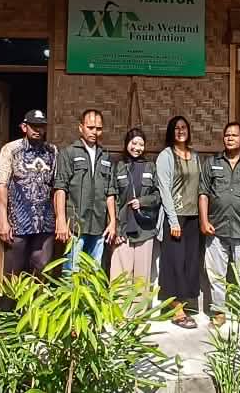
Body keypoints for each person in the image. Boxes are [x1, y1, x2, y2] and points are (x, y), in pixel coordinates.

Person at [199, 122, 240, 328]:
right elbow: (203, 193)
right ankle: (219, 312)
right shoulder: (212, 163)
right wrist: (204, 220)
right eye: (227, 135)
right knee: (216, 274)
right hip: (216, 228)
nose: (230, 138)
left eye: (234, 135)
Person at [0, 109, 57, 281]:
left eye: (41, 126)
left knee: (43, 270)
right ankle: (9, 300)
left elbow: (57, 187)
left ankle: (37, 300)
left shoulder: (52, 151)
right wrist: (3, 220)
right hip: (19, 222)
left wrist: (59, 219)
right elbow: (1, 185)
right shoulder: (11, 149)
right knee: (14, 273)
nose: (37, 130)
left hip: (45, 222)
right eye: (33, 126)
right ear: (24, 127)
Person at [54, 109, 117, 274]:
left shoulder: (105, 156)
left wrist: (112, 222)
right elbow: (60, 189)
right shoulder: (69, 153)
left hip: (98, 226)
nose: (94, 132)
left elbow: (110, 192)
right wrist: (61, 220)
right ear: (80, 127)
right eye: (90, 127)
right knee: (71, 274)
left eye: (98, 129)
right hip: (75, 226)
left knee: (93, 274)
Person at [157, 116, 201, 329]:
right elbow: (164, 189)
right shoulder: (166, 156)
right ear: (171, 132)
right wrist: (173, 220)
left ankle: (184, 303)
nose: (180, 131)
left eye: (184, 127)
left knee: (190, 262)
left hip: (193, 217)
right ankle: (176, 311)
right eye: (176, 128)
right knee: (174, 262)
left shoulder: (195, 156)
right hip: (175, 217)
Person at [110, 128, 161, 284]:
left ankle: (140, 303)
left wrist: (142, 201)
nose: (137, 148)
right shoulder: (118, 166)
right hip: (122, 231)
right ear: (127, 143)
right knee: (120, 279)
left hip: (144, 230)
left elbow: (158, 195)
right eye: (134, 143)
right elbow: (112, 197)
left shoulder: (150, 167)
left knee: (141, 280)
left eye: (141, 144)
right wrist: (115, 228)